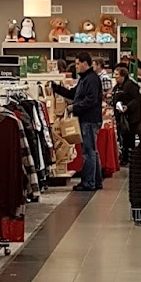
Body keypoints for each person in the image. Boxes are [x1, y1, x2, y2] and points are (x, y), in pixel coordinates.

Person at [52, 56, 105, 192]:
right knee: (92, 151)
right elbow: (73, 94)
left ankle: (88, 183)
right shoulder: (85, 79)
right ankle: (96, 181)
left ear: (85, 63)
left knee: (88, 152)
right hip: (87, 119)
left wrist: (74, 107)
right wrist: (56, 88)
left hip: (89, 120)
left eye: (77, 64)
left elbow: (91, 100)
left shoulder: (91, 79)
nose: (75, 66)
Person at [110, 63, 141, 166]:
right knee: (123, 137)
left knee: (129, 138)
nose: (115, 77)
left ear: (123, 75)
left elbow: (136, 100)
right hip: (121, 117)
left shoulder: (131, 86)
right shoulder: (117, 87)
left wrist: (127, 107)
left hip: (130, 117)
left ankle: (128, 158)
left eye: (117, 75)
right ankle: (124, 157)